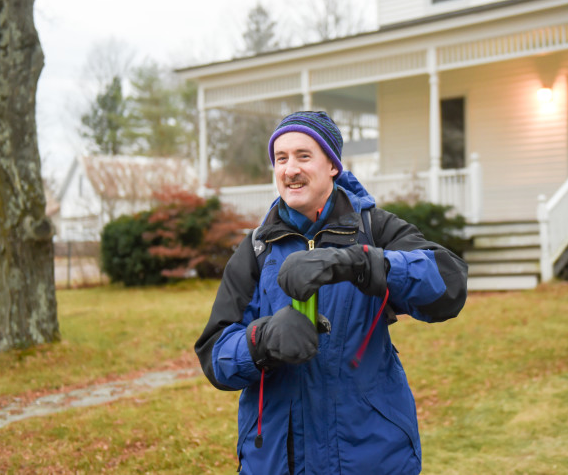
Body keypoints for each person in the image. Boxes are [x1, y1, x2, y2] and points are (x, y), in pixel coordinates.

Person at [195, 111, 467, 474]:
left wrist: (360, 264)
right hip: (278, 460)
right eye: (281, 158)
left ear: (333, 166)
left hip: (371, 455)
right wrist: (262, 341)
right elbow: (214, 354)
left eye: (304, 156)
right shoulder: (256, 249)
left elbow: (449, 284)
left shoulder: (373, 228)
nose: (290, 169)